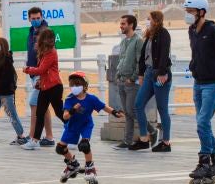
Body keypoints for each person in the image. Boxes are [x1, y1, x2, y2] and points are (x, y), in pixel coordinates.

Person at [183, 0, 215, 183]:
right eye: (186, 12)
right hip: (198, 82)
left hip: (213, 83)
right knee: (203, 124)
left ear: (201, 12)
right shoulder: (192, 30)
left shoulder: (213, 31)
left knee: (202, 122)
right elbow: (196, 54)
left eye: (190, 12)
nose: (187, 15)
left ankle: (204, 162)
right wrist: (194, 67)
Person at [57, 71, 124, 183]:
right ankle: (73, 165)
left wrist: (114, 112)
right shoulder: (70, 99)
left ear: (84, 86)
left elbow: (103, 106)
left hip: (86, 124)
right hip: (72, 125)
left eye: (77, 84)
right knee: (60, 148)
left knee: (84, 145)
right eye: (72, 85)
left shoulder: (91, 99)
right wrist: (73, 110)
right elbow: (65, 116)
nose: (74, 87)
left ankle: (90, 168)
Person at [130, 11, 173, 152]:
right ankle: (144, 139)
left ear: (156, 20)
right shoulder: (149, 35)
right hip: (148, 74)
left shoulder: (164, 34)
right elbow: (143, 56)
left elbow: (164, 54)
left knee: (162, 108)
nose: (147, 21)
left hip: (159, 75)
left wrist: (162, 72)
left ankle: (166, 142)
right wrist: (141, 74)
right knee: (138, 104)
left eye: (149, 19)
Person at [114, 15, 157, 150]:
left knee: (132, 111)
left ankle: (152, 130)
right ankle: (127, 141)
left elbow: (140, 61)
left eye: (123, 24)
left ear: (131, 25)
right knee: (127, 112)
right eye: (120, 23)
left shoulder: (138, 41)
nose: (121, 26)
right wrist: (118, 75)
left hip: (131, 82)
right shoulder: (123, 42)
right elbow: (122, 60)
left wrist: (132, 78)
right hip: (121, 80)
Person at [21, 28, 65, 150]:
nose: (47, 41)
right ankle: (35, 141)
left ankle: (75, 131)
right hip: (45, 87)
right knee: (40, 113)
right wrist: (40, 81)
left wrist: (27, 69)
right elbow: (44, 72)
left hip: (54, 87)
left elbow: (41, 70)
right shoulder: (45, 52)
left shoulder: (51, 52)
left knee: (59, 112)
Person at [25, 7, 55, 147]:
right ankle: (49, 137)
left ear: (42, 17)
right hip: (34, 73)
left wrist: (38, 73)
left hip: (41, 74)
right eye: (33, 18)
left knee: (34, 105)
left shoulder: (45, 33)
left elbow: (47, 55)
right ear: (29, 19)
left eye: (38, 18)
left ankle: (33, 137)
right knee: (44, 106)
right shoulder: (32, 31)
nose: (36, 20)